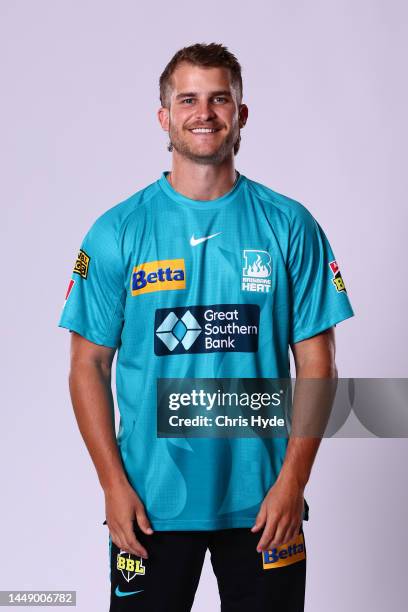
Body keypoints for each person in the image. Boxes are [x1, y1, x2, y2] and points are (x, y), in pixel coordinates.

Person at [58, 42, 354, 611]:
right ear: (164, 117)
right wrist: (113, 487)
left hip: (267, 508)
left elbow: (318, 363)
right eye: (188, 99)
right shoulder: (117, 231)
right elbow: (87, 364)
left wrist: (294, 482)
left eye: (220, 98)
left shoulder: (290, 225)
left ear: (241, 114)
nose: (204, 112)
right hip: (149, 505)